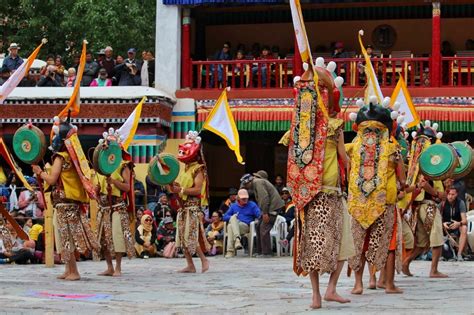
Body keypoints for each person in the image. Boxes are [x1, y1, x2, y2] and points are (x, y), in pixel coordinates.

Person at [284, 63, 354, 308]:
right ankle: (325, 291)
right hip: (324, 194)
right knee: (332, 245)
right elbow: (344, 158)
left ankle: (322, 293)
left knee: (322, 245)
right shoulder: (332, 126)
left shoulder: (301, 127)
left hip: (314, 194)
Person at [347, 96, 406, 295]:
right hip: (385, 202)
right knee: (386, 244)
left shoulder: (352, 148)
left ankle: (358, 284)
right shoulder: (393, 150)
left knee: (358, 243)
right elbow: (403, 180)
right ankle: (385, 283)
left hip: (357, 201)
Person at [32, 112, 99, 280]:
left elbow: (52, 179)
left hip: (64, 204)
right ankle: (69, 270)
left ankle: (74, 271)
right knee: (65, 237)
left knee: (66, 238)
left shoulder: (61, 157)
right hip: (67, 203)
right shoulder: (72, 157)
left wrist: (40, 173)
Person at [401, 121, 448, 278]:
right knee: (436, 237)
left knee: (421, 244)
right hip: (427, 206)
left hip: (419, 206)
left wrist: (437, 192)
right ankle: (433, 270)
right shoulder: (423, 165)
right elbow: (425, 186)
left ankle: (406, 263)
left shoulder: (418, 164)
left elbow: (440, 194)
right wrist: (434, 192)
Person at [168, 131, 210, 273]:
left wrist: (181, 190)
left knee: (190, 237)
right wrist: (171, 184)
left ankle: (204, 260)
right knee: (181, 238)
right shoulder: (185, 169)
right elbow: (180, 188)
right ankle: (190, 265)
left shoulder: (199, 169)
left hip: (192, 208)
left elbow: (197, 190)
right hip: (182, 208)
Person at [95, 129, 135, 277]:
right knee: (104, 239)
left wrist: (114, 181)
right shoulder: (100, 167)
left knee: (117, 237)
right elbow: (96, 189)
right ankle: (109, 267)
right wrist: (97, 189)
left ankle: (118, 267)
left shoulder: (123, 165)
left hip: (117, 206)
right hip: (104, 207)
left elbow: (127, 187)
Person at [240, 172, 284, 257]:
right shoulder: (257, 183)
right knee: (258, 226)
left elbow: (264, 198)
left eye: (246, 185)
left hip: (273, 207)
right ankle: (260, 251)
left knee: (264, 227)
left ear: (248, 182)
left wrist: (265, 213)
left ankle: (267, 253)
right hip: (269, 207)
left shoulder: (258, 182)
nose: (247, 188)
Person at [223, 189, 261, 258]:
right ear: (238, 198)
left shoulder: (252, 205)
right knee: (232, 222)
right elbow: (225, 217)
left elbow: (259, 214)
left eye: (246, 198)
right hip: (236, 226)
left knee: (230, 225)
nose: (245, 199)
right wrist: (233, 217)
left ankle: (230, 251)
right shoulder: (233, 206)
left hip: (245, 226)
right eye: (243, 198)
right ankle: (237, 239)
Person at [441, 187, 468, 261]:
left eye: (453, 194)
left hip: (456, 226)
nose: (450, 196)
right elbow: (437, 219)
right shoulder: (443, 203)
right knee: (436, 227)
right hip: (445, 227)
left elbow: (465, 220)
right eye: (449, 194)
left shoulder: (460, 203)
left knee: (464, 228)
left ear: (456, 194)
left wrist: (458, 223)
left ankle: (459, 254)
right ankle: (442, 254)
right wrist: (443, 224)